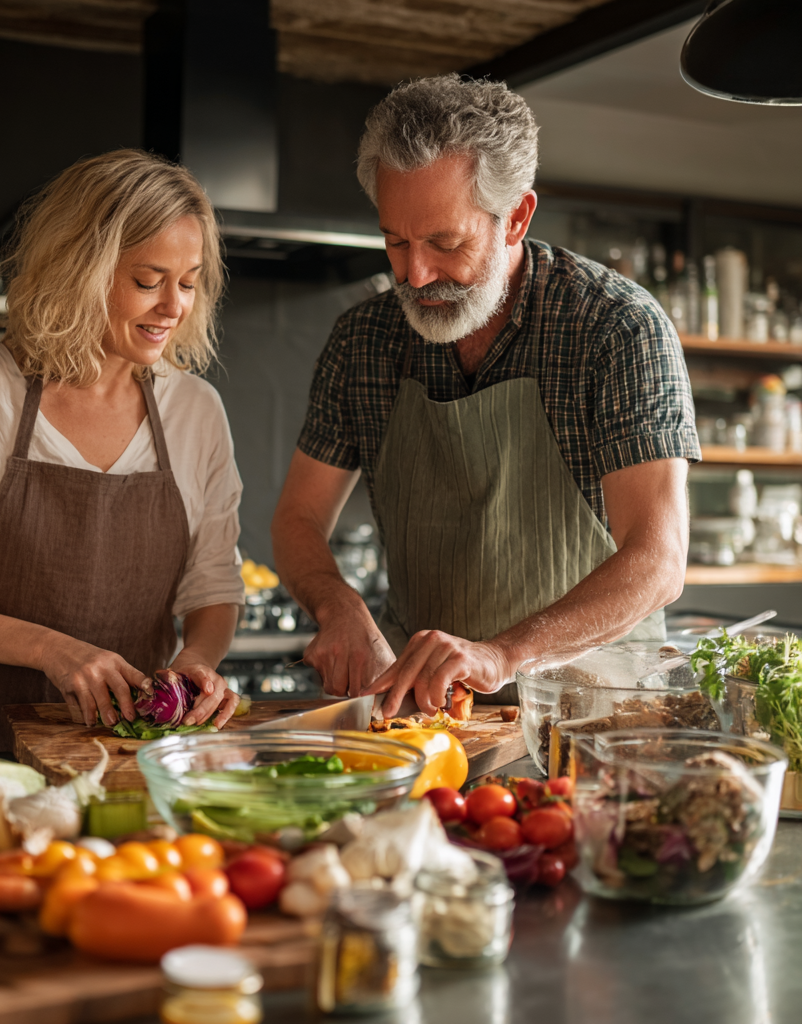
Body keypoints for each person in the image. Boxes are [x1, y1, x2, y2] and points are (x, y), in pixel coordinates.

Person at [272, 76, 699, 717]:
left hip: (596, 717)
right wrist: (337, 605)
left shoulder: (615, 328)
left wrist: (503, 655)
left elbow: (658, 560)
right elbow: (296, 518)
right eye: (396, 241)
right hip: (419, 712)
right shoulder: (362, 341)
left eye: (445, 243)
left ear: (516, 218)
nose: (416, 275)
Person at [0, 150, 245, 753]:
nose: (174, 307)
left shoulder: (195, 411)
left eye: (189, 283)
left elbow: (213, 586)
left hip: (134, 756)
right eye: (148, 281)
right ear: (80, 269)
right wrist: (51, 649)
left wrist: (196, 661)